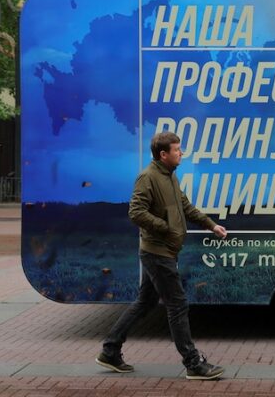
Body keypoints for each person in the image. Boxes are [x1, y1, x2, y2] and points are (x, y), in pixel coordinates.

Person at [96, 132, 227, 380]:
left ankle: (110, 351)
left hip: (164, 250)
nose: (181, 153)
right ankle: (193, 363)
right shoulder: (148, 177)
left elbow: (186, 207)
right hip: (157, 252)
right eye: (177, 150)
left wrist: (212, 225)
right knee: (177, 305)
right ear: (163, 154)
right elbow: (136, 212)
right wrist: (166, 227)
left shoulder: (170, 177)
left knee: (145, 302)